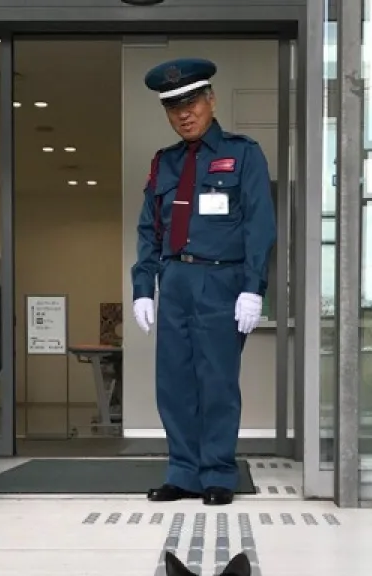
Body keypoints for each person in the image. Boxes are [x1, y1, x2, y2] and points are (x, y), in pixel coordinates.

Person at [131, 58, 276, 506]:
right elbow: (149, 229)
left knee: (216, 381)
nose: (184, 114)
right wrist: (143, 288)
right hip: (175, 279)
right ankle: (183, 472)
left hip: (222, 280)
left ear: (211, 100)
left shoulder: (244, 154)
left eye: (192, 102)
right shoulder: (165, 163)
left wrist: (253, 287)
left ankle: (217, 473)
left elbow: (259, 226)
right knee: (174, 383)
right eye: (173, 107)